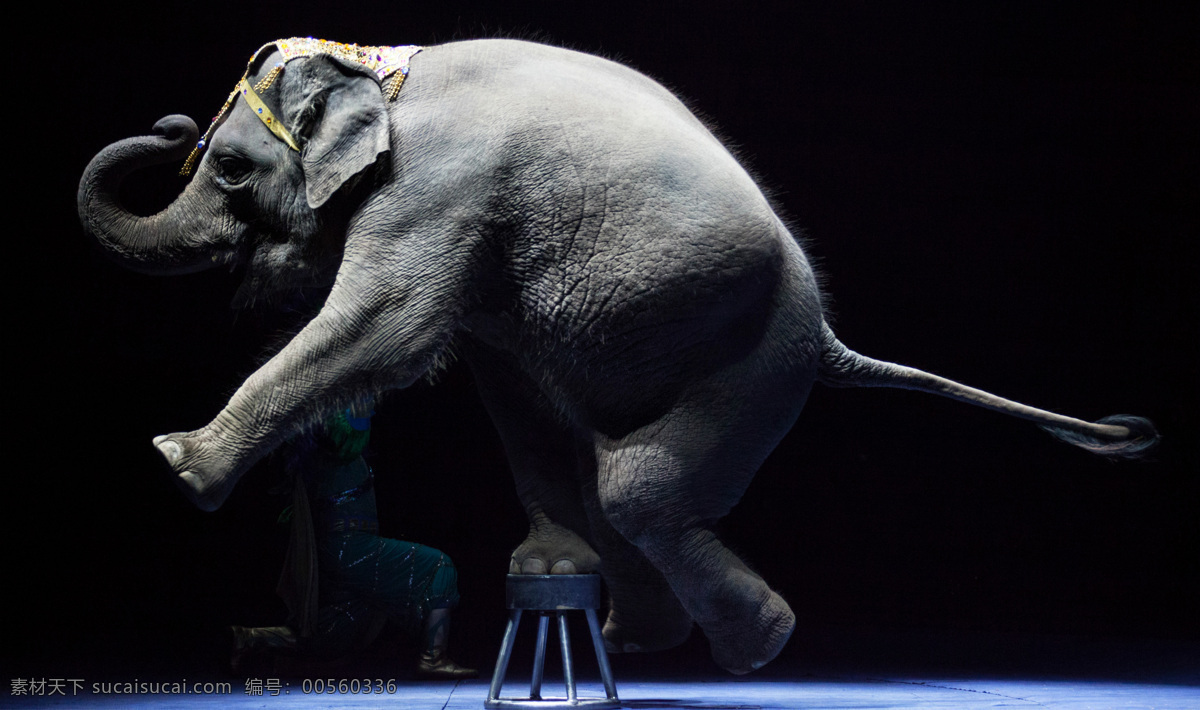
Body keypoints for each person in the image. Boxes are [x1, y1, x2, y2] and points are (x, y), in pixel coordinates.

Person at [230, 401, 476, 679]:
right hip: (350, 549)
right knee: (439, 565)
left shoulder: (323, 453)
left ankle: (250, 637)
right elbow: (352, 430)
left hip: (342, 551)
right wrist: (364, 386)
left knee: (335, 631)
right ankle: (433, 657)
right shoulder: (334, 446)